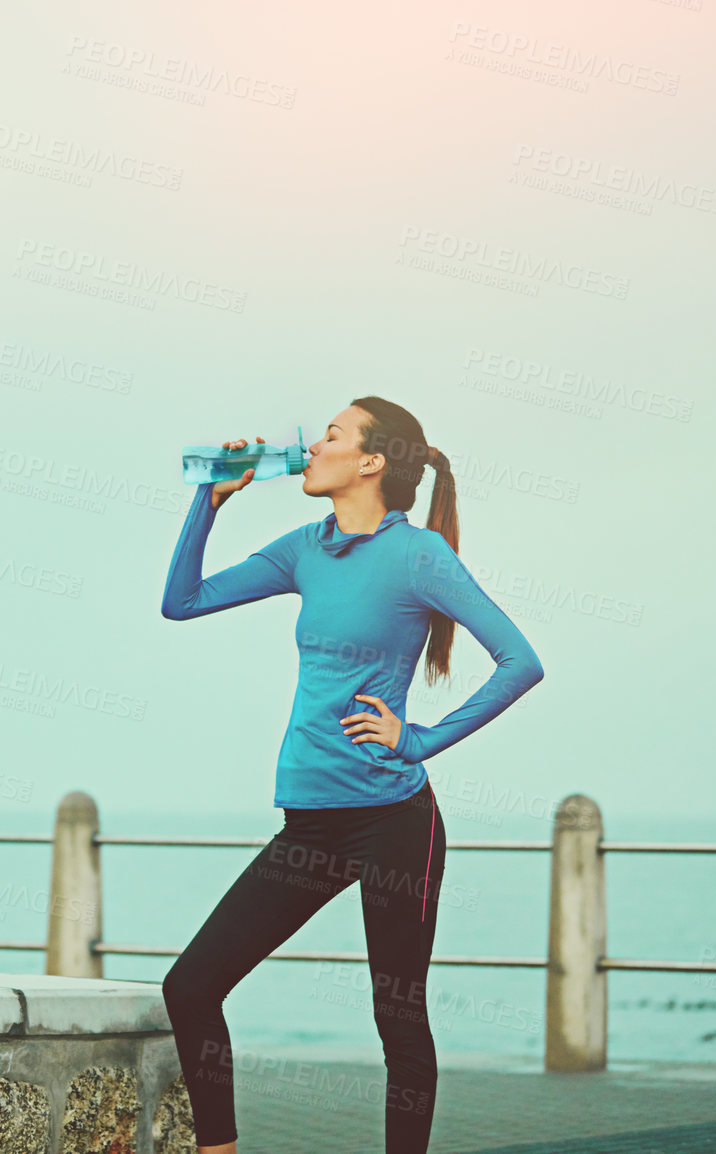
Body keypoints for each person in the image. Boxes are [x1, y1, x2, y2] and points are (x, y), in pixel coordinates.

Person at [157, 397, 545, 1154]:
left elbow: (521, 661)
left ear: (371, 461)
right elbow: (183, 602)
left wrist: (423, 738)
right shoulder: (307, 547)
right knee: (192, 987)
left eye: (332, 434)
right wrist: (209, 500)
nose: (313, 444)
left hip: (394, 818)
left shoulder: (419, 554)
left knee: (396, 1017)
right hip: (310, 822)